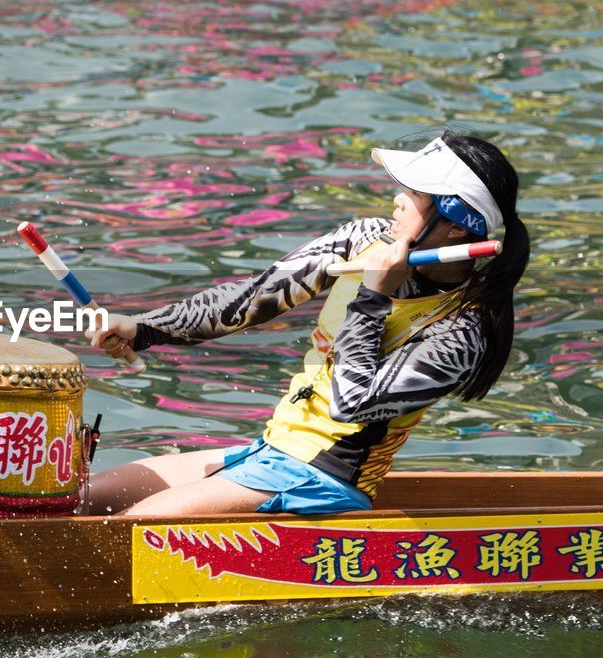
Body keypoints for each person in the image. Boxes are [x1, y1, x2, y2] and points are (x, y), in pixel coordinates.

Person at [86, 131, 529, 517]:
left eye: (414, 192)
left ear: (455, 224)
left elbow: (351, 404)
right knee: (80, 498)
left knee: (123, 530)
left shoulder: (463, 332)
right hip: (268, 451)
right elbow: (252, 297)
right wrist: (143, 329)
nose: (397, 198)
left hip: (323, 482)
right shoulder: (363, 238)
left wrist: (374, 294)